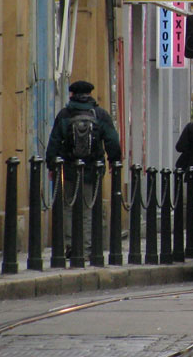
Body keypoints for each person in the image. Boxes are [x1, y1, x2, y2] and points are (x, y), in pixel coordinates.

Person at [45, 80, 122, 256]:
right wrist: (114, 161)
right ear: (90, 94)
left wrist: (52, 165)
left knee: (68, 206)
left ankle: (70, 245)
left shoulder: (64, 114)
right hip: (92, 169)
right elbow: (112, 140)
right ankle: (86, 247)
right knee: (88, 207)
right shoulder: (100, 114)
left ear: (72, 95)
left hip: (70, 167)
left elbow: (55, 141)